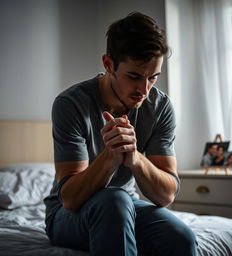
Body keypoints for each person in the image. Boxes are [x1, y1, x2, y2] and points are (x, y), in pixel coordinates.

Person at [44, 12, 197, 256]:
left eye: (153, 77)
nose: (144, 89)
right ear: (108, 64)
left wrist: (135, 158)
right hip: (67, 216)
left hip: (125, 205)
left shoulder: (160, 108)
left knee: (180, 237)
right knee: (115, 201)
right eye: (134, 76)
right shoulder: (70, 104)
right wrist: (110, 157)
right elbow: (70, 199)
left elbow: (166, 194)